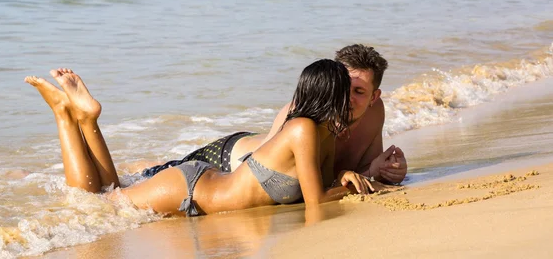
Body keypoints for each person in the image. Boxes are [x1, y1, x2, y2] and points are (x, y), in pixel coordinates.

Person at [25, 60, 373, 217]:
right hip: (189, 190)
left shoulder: (324, 133)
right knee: (94, 201)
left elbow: (321, 188)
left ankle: (87, 119)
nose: (352, 98)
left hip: (204, 183)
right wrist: (360, 185)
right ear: (332, 95)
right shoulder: (303, 129)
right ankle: (65, 116)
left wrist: (344, 178)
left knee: (107, 194)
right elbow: (316, 201)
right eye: (348, 90)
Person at [143, 45, 408, 185]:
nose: (347, 98)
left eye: (360, 91)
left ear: (375, 97)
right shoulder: (304, 114)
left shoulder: (375, 114)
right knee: (140, 179)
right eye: (343, 87)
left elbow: (358, 172)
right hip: (228, 160)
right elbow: (293, 178)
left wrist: (384, 170)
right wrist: (365, 173)